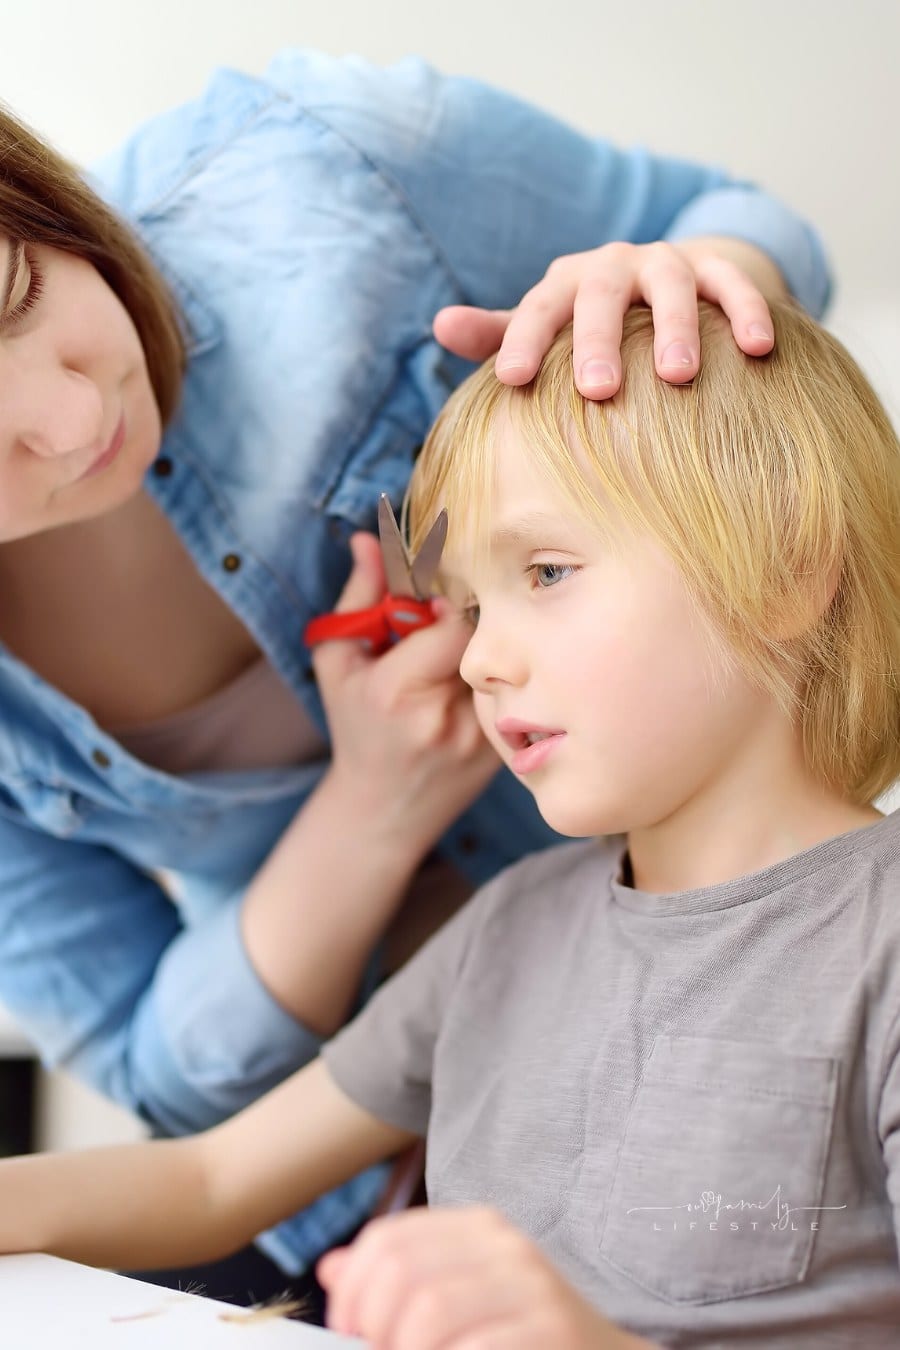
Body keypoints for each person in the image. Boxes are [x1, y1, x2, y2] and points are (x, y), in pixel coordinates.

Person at [0, 46, 830, 1292]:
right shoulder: (499, 954)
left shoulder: (320, 171)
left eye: (16, 300)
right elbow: (202, 1166)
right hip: (369, 1204)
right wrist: (366, 815)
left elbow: (742, 232)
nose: (70, 426)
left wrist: (697, 285)